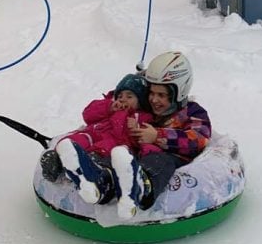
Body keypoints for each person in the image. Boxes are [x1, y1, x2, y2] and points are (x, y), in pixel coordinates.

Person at [57, 51, 211, 221]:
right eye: (151, 93)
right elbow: (125, 94)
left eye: (161, 95)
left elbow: (199, 138)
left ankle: (141, 188)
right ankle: (98, 183)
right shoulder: (145, 108)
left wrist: (158, 136)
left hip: (165, 158)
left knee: (159, 161)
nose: (154, 100)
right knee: (116, 155)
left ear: (179, 93)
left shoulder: (192, 111)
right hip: (132, 157)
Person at [39, 74, 159, 201]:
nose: (123, 99)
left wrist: (136, 126)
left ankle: (87, 165)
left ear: (140, 102)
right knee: (77, 139)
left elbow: (141, 140)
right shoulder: (110, 107)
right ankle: (57, 160)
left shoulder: (142, 117)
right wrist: (109, 107)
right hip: (93, 133)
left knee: (104, 149)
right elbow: (88, 114)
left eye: (129, 96)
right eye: (120, 96)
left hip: (113, 144)